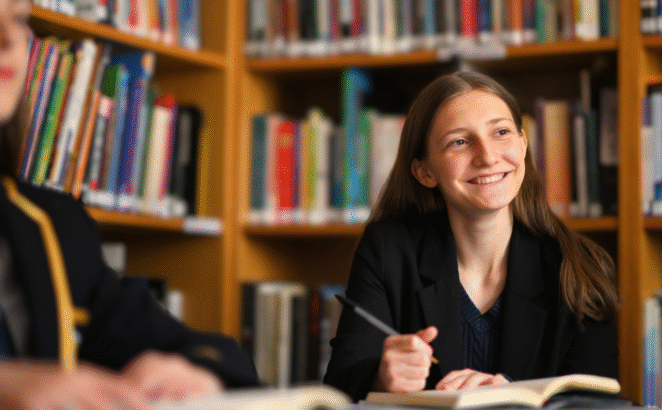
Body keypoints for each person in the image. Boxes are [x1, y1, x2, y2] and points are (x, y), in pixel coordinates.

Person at [0, 1, 260, 408]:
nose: (8, 40)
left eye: (17, 18)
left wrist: (195, 374)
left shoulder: (52, 224)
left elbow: (209, 351)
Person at [323, 71, 620, 401]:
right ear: (425, 172)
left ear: (523, 143)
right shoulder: (388, 251)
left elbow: (598, 403)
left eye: (501, 132)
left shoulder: (580, 267)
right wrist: (379, 375)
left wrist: (512, 397)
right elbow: (337, 388)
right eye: (459, 142)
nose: (488, 156)